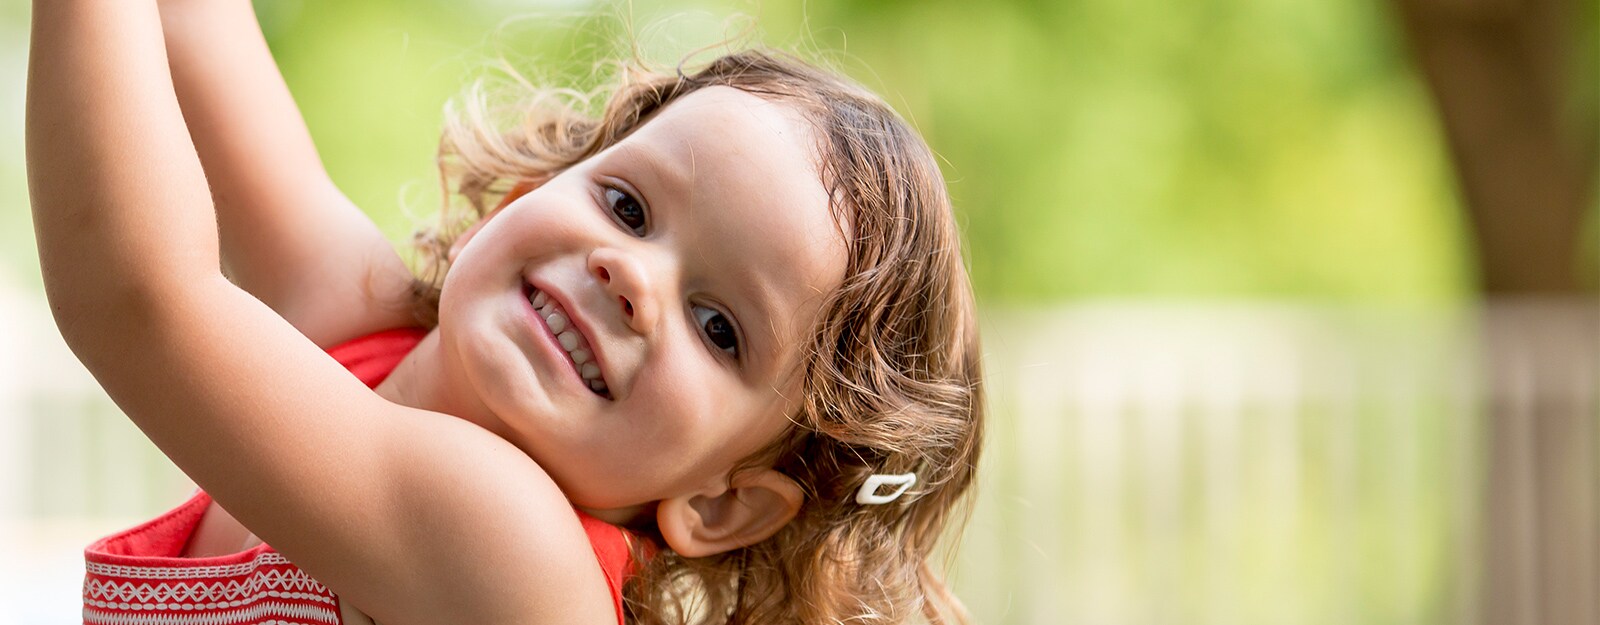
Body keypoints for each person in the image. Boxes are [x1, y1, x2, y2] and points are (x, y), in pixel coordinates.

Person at [27, 1, 984, 624]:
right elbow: (198, 33)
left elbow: (136, 298)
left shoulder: (516, 554)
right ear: (539, 181)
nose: (627, 274)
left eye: (719, 325)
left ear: (722, 499)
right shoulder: (366, 334)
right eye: (627, 206)